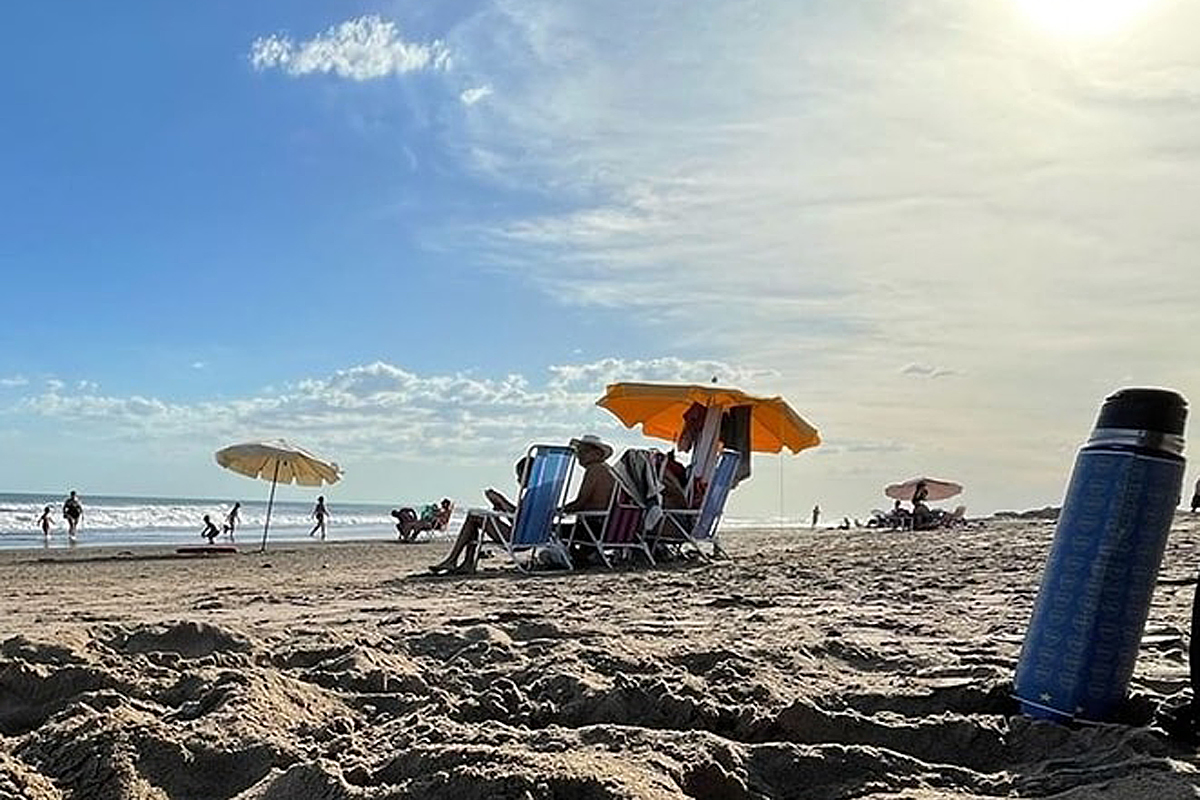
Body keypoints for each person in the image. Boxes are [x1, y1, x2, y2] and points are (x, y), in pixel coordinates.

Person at [430, 458, 528, 574]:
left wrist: (501, 500)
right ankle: (466, 562)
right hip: (527, 535)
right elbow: (521, 518)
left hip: (521, 538)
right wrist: (501, 506)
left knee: (474, 516)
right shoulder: (542, 493)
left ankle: (455, 560)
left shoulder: (534, 494)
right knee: (475, 518)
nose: (517, 479)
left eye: (520, 475)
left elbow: (519, 519)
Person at [560, 435, 616, 566]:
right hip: (608, 526)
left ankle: (579, 559)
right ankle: (586, 555)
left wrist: (559, 510)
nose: (579, 455)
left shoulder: (594, 469)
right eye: (578, 452)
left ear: (597, 453)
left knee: (554, 530)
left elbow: (581, 502)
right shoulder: (609, 470)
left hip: (594, 527)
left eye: (583, 451)